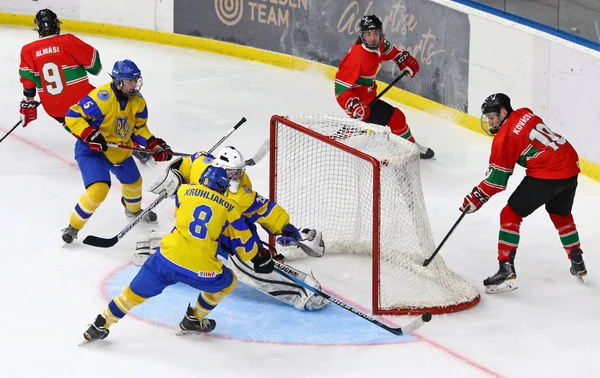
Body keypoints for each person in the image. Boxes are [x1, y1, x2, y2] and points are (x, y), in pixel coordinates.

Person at [82, 166, 271, 342]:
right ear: (223, 187)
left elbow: (186, 216)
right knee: (227, 281)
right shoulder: (231, 208)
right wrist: (258, 256)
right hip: (201, 268)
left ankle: (101, 323)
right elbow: (245, 247)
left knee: (133, 294)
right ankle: (194, 318)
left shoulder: (183, 192)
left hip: (166, 259)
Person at [143, 146, 329, 311]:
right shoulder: (203, 167)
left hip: (230, 235)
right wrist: (175, 173)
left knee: (248, 267)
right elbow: (191, 160)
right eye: (232, 173)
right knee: (182, 243)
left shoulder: (240, 194)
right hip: (202, 230)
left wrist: (289, 229)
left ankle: (301, 294)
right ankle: (151, 247)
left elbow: (265, 210)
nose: (237, 177)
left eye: (239, 172)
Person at [460, 93, 587, 294]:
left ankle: (506, 270)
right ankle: (576, 259)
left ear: (503, 112)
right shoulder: (524, 113)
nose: (490, 122)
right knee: (560, 213)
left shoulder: (504, 138)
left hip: (549, 172)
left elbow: (497, 182)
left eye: (493, 117)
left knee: (510, 214)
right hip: (570, 164)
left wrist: (475, 197)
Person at [61, 59, 173, 244]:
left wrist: (153, 144)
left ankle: (133, 210)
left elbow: (138, 129)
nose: (134, 84)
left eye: (136, 80)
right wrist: (89, 133)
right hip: (92, 151)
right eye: (130, 81)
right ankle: (73, 227)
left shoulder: (138, 101)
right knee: (99, 189)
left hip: (119, 150)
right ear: (119, 82)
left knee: (134, 182)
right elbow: (73, 116)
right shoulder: (102, 97)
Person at [334, 14, 434, 159]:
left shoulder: (380, 45)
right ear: (363, 36)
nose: (373, 37)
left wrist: (402, 60)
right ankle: (411, 149)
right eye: (368, 34)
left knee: (390, 118)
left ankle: (353, 127)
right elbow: (340, 89)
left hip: (368, 97)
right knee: (397, 117)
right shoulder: (357, 57)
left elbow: (392, 53)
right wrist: (353, 105)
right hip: (358, 102)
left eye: (376, 33)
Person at [18, 9, 101, 128]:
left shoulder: (27, 51)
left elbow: (28, 84)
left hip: (54, 109)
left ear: (38, 28)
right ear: (56, 24)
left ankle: (82, 131)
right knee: (110, 96)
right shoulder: (68, 41)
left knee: (72, 122)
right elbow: (96, 67)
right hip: (83, 104)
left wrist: (29, 101)